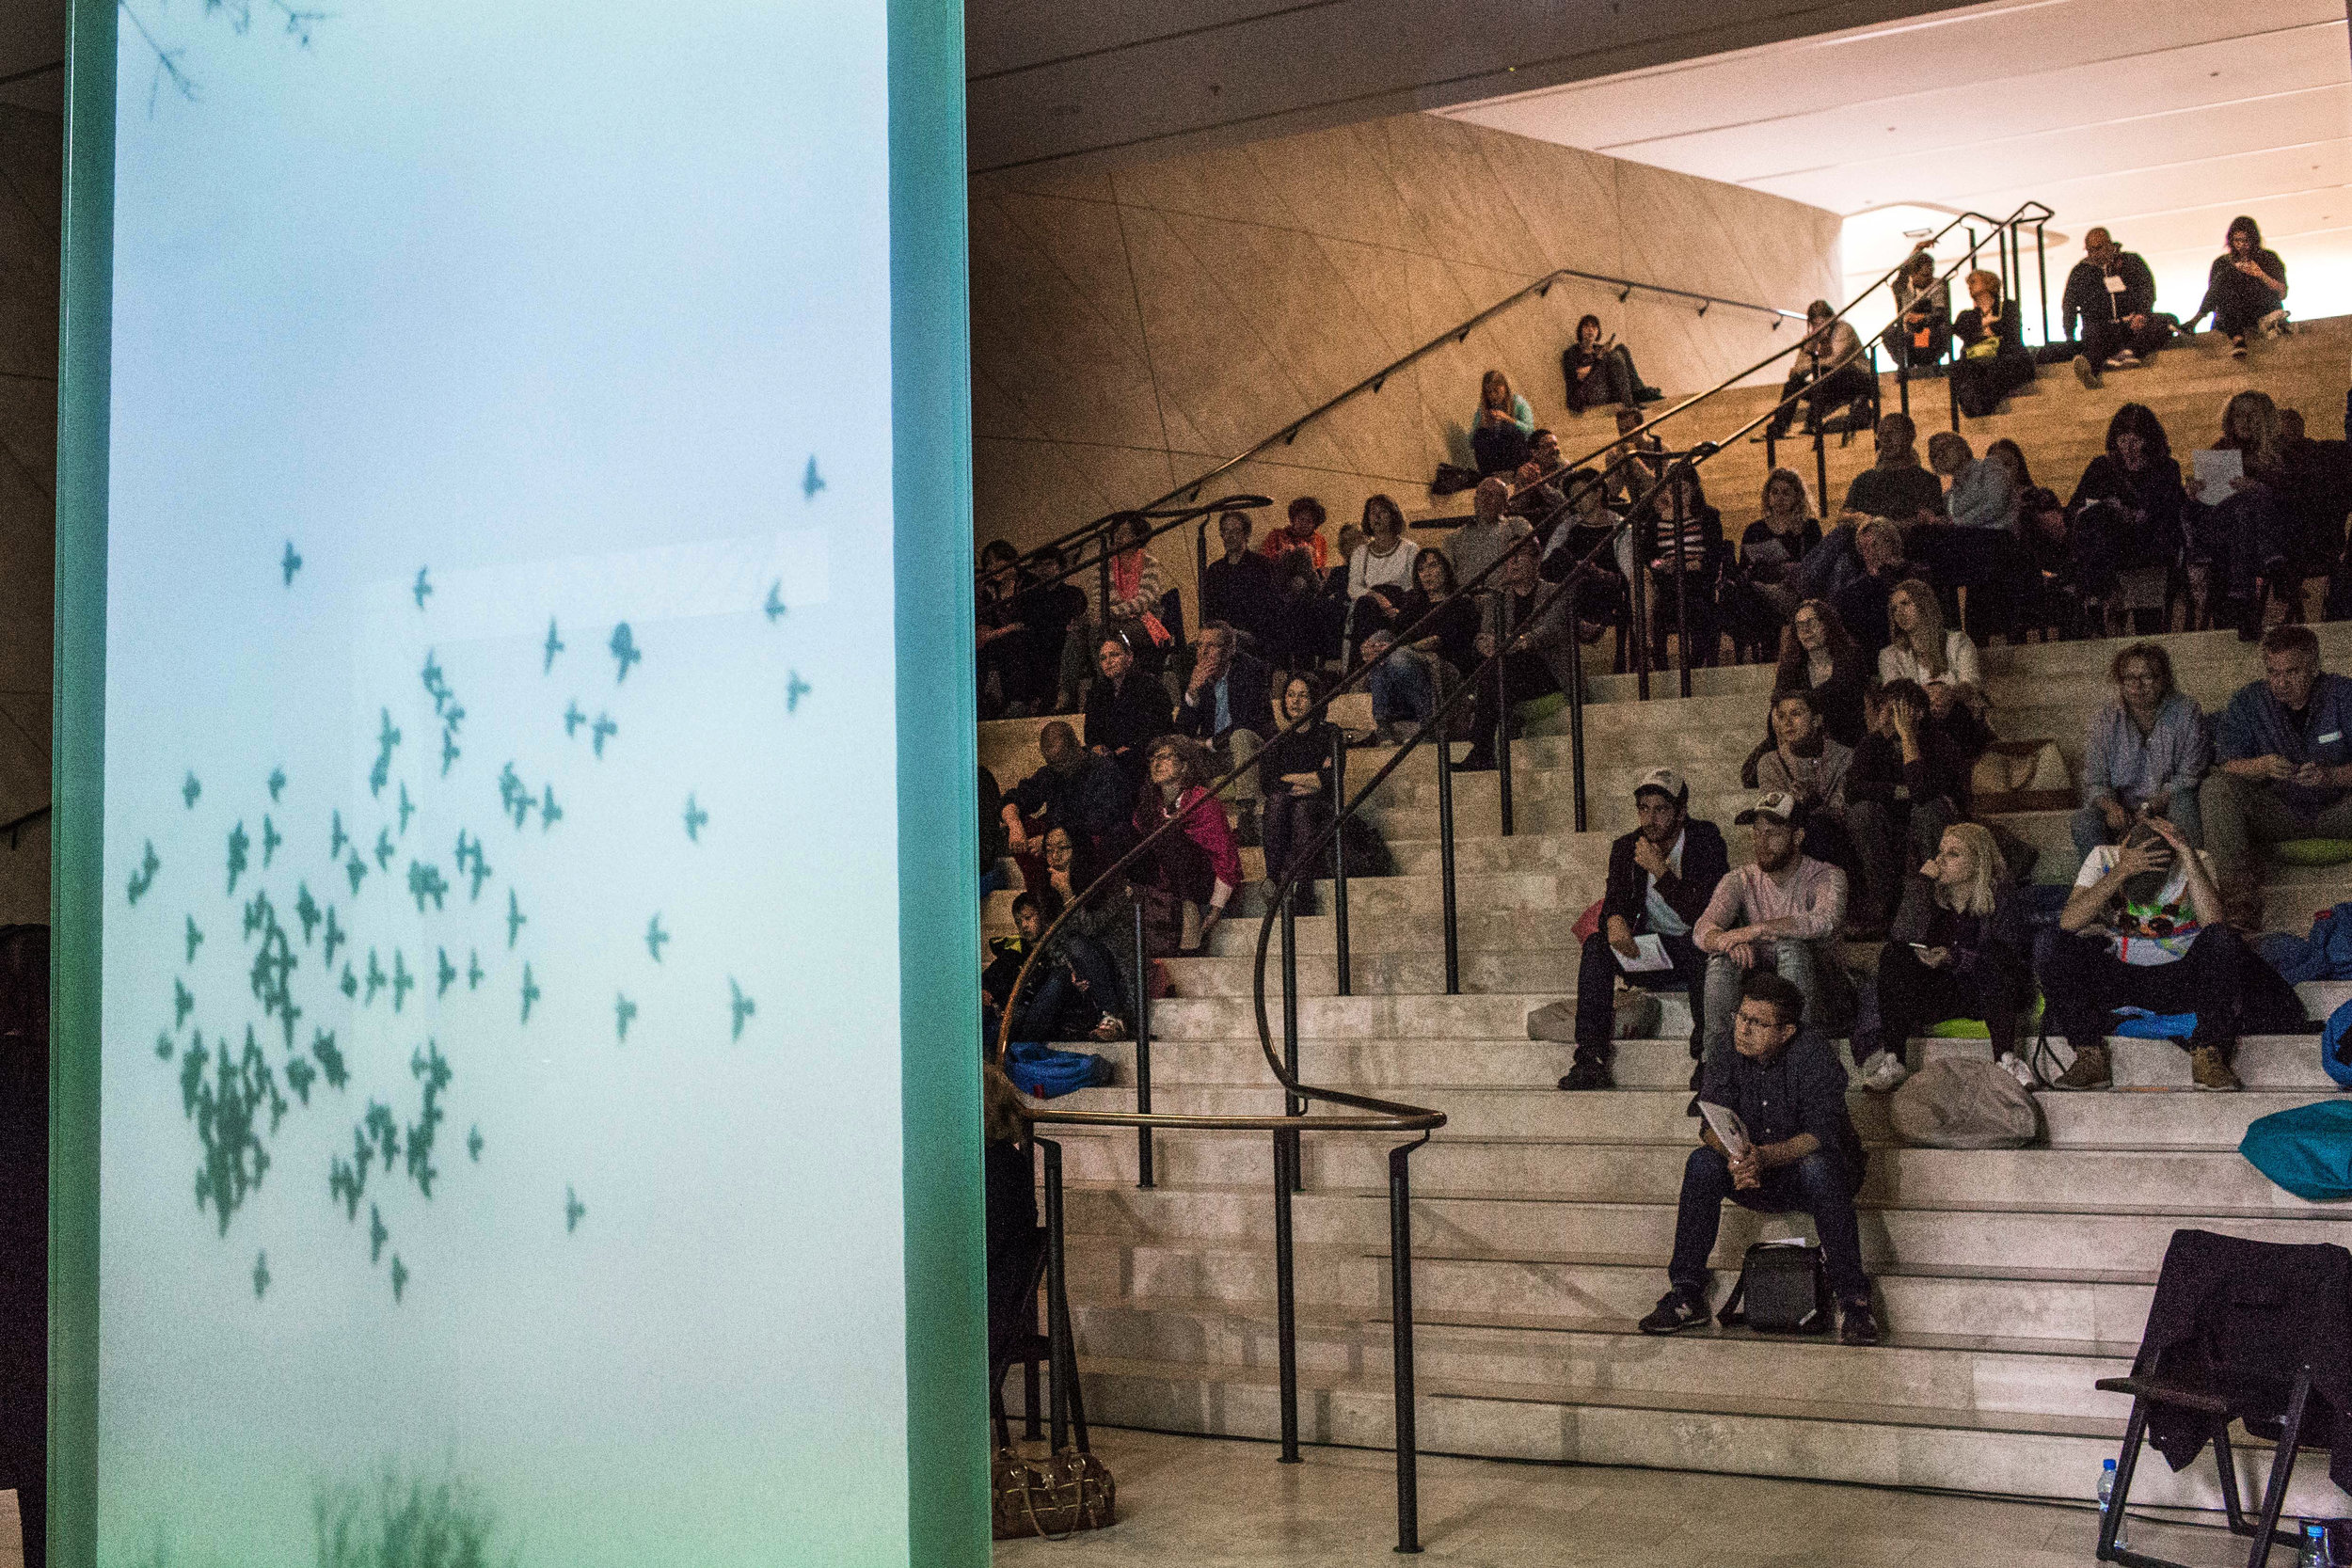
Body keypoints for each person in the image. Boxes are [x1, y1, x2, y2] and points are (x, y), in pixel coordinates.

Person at [1638, 969, 1878, 1346]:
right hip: (1752, 1171)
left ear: (1787, 1031)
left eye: (1757, 1023)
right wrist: (1737, 1157)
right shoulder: (1724, 1048)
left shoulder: (1813, 1054)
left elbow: (1820, 1134)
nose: (1743, 1030)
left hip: (1812, 1171)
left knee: (1820, 1168)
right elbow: (1708, 1126)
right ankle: (1687, 1294)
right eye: (1741, 1017)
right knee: (1702, 1163)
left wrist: (1763, 1157)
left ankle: (1854, 1300)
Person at [2042, 816, 2244, 1092]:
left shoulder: (2195, 859)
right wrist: (2121, 871)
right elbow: (2069, 921)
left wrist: (2186, 853)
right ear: (2122, 846)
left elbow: (2213, 922)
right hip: (2122, 974)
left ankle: (2208, 1051)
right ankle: (2089, 1055)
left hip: (2180, 975)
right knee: (2053, 942)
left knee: (2222, 939)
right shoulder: (2103, 856)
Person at [1562, 768, 1727, 1092]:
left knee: (1704, 949)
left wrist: (1661, 872)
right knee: (1596, 946)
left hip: (1693, 948)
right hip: (1652, 950)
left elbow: (1707, 912)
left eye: (1661, 809)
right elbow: (1615, 899)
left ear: (1681, 813)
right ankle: (1590, 1059)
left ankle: (1707, 1059)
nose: (1650, 819)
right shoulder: (1626, 846)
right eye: (1643, 809)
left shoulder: (1706, 840)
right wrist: (1614, 920)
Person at [1849, 823, 2032, 1093]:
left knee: (1996, 956)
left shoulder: (2001, 896)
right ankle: (1894, 1059)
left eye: (1953, 854)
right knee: (1894, 954)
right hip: (1942, 993)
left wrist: (1956, 958)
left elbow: (2011, 955)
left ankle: (2006, 1059)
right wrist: (1921, 885)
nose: (1939, 860)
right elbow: (1900, 936)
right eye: (1940, 852)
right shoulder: (1930, 895)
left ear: (1978, 862)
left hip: (1987, 993)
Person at [2200, 625, 2352, 926]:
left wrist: (2332, 776)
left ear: (2314, 668)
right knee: (2216, 789)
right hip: (2280, 811)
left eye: (2292, 672)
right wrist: (2260, 767)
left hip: (2339, 809)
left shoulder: (2343, 694)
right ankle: (2238, 905)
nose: (2280, 682)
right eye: (2273, 672)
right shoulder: (2250, 701)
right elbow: (2227, 764)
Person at [1694, 793, 1853, 1060]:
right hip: (1764, 1002)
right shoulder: (1740, 878)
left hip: (1826, 994)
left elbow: (1825, 920)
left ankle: (1796, 1060)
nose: (1761, 842)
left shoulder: (1828, 875)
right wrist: (1727, 941)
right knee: (1721, 959)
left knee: (1792, 948)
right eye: (1757, 833)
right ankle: (1718, 1063)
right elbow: (1702, 929)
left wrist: (1756, 929)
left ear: (1798, 836)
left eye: (1773, 833)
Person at [1845, 680, 1969, 936]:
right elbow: (1853, 789)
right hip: (1892, 825)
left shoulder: (1938, 741)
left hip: (1936, 824)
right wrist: (1896, 791)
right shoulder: (1873, 744)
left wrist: (1908, 739)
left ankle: (1936, 901)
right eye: (1882, 710)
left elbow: (1923, 793)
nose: (1884, 718)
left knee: (1927, 810)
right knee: (1862, 813)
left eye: (1893, 712)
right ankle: (1884, 903)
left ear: (1917, 714)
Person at [2074, 641, 2210, 860]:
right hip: (2124, 810)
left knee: (2184, 802)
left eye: (2147, 677)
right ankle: (2105, 887)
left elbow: (2189, 776)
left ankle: (2191, 877)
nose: (2137, 686)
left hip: (2168, 805)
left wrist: (2150, 807)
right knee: (2084, 821)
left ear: (2163, 679)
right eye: (2129, 678)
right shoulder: (2106, 719)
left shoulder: (2186, 711)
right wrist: (2111, 808)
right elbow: (2095, 780)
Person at [2185, 390, 2298, 636]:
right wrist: (2194, 493)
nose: (2245, 422)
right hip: (2222, 531)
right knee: (2244, 504)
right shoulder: (2220, 451)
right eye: (2239, 415)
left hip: (2260, 533)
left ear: (2265, 418)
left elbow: (2293, 500)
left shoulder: (2280, 452)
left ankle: (2242, 592)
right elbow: (2200, 514)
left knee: (2248, 506)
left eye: (2252, 415)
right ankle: (2271, 561)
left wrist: (2259, 488)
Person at [2066, 403, 2186, 629]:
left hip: (2147, 543)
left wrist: (2135, 514)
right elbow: (2073, 509)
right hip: (2106, 541)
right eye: (2123, 441)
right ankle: (2100, 601)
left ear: (2148, 441)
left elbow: (2169, 510)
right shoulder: (2101, 467)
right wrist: (2105, 508)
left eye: (2136, 441)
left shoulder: (2165, 468)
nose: (2129, 448)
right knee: (2098, 520)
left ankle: (2103, 600)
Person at [1462, 538, 1577, 771]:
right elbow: (1485, 633)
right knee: (1495, 668)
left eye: (1519, 554)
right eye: (1508, 556)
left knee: (1498, 668)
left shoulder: (1556, 593)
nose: (1512, 561)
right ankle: (1485, 747)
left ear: (1536, 560)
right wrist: (1486, 644)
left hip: (1547, 673)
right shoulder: (1498, 598)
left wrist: (1516, 642)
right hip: (1510, 672)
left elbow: (1549, 632)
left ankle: (1481, 745)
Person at [1129, 736, 1243, 954]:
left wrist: (1216, 908)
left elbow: (1224, 855)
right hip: (1168, 884)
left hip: (1204, 883)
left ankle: (1190, 914)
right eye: (1152, 759)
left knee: (1170, 833)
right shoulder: (1149, 804)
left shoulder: (1202, 799)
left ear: (1184, 766)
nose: (1156, 763)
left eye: (1165, 757)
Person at [1057, 515, 1177, 703]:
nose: (1119, 538)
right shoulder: (1104, 566)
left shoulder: (1149, 562)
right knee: (1077, 635)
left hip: (1143, 622)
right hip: (1111, 618)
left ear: (1138, 536)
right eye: (1117, 534)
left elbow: (1145, 600)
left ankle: (1111, 688)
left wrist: (1110, 613)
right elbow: (1097, 600)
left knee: (1109, 632)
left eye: (1126, 533)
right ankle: (1067, 694)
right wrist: (1102, 614)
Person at [999, 721, 1133, 885]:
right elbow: (1016, 797)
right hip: (1055, 842)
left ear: (1076, 745)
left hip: (1087, 847)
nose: (1059, 767)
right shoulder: (1050, 772)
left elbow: (1101, 821)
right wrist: (1014, 826)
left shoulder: (1104, 771)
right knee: (1022, 827)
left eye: (1063, 761)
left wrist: (1051, 839)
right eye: (1052, 762)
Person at [989, 893, 1128, 1044]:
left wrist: (1074, 983)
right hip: (1024, 1017)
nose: (1024, 926)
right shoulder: (1015, 951)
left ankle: (1112, 1018)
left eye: (1028, 918)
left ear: (1042, 915)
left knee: (1065, 969)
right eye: (1018, 922)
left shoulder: (1062, 945)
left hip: (1057, 1016)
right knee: (1011, 1018)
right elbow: (992, 978)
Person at [1177, 622, 1274, 837]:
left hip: (1254, 749)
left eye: (1212, 646)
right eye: (1200, 645)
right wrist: (1192, 693)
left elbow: (1246, 721)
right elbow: (1182, 733)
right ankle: (1184, 823)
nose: (1203, 652)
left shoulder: (1251, 670)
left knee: (1240, 738)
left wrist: (1208, 743)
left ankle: (1248, 816)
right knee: (1177, 751)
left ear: (1230, 650)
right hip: (1217, 755)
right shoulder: (1195, 674)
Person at [1918, 431, 2016, 641]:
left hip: (1999, 541)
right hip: (1968, 547)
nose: (1940, 455)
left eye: (1945, 447)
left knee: (1939, 549)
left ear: (1963, 447)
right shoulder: (1949, 495)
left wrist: (1954, 523)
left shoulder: (1988, 467)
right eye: (1934, 454)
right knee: (1928, 543)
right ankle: (1950, 630)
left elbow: (1996, 503)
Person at [1257, 673, 1341, 906]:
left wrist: (1289, 779)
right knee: (1276, 803)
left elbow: (1331, 778)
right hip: (1285, 808)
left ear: (1315, 699)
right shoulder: (1276, 738)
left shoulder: (1330, 734)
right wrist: (1311, 778)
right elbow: (1268, 782)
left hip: (1322, 809)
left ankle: (1301, 886)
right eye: (1290, 695)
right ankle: (1274, 878)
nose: (1295, 701)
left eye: (1303, 695)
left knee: (1301, 809)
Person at [1634, 466, 1727, 668]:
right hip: (1669, 581)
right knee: (1661, 610)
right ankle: (1660, 664)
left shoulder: (1707, 516)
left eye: (1683, 491)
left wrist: (1697, 564)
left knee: (1698, 608)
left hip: (1698, 582)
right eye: (1671, 490)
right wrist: (1662, 564)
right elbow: (1648, 557)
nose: (1677, 496)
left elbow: (1714, 554)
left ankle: (1695, 664)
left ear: (1693, 489)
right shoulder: (1656, 520)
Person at [1726, 468, 1822, 657]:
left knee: (1760, 597)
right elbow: (1743, 568)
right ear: (1767, 496)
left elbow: (1817, 565)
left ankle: (1771, 652)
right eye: (1775, 492)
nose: (1779, 498)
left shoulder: (1809, 528)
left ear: (1797, 496)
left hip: (1792, 589)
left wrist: (1793, 567)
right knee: (1750, 592)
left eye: (1786, 493)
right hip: (1762, 587)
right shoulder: (1755, 529)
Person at [2061, 228, 2168, 388]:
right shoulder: (2080, 272)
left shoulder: (2131, 262)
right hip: (2102, 329)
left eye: (2099, 248)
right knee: (2094, 337)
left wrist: (2142, 313)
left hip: (2131, 323)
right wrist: (2069, 334)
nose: (2094, 254)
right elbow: (2069, 304)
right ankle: (2091, 371)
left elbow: (2147, 289)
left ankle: (2129, 352)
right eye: (2090, 250)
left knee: (2164, 322)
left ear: (2109, 244)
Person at [1878, 578, 1985, 722]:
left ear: (1924, 604)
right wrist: (1927, 694)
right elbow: (1895, 694)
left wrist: (1949, 693)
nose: (1899, 613)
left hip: (1959, 719)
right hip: (1917, 724)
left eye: (1905, 603)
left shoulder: (1957, 641)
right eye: (1894, 609)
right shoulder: (1889, 655)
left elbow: (1971, 684)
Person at [2184, 214, 2289, 357]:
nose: (2241, 245)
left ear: (2253, 240)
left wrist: (2260, 274)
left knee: (2226, 277)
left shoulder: (2268, 258)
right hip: (2232, 311)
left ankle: (2194, 321)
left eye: (2245, 241)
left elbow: (2282, 293)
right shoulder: (2222, 262)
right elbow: (2216, 294)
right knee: (2225, 278)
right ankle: (2238, 339)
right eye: (2237, 240)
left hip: (2261, 309)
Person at [1766, 300, 1872, 440]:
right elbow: (1798, 370)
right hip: (1827, 384)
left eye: (1822, 323)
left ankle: (1814, 420)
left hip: (1856, 379)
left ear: (1831, 320)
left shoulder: (1844, 330)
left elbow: (1835, 362)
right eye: (1815, 324)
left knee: (1825, 370)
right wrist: (1811, 345)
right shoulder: (1812, 338)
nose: (1819, 328)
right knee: (1794, 383)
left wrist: (1809, 364)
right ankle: (1778, 427)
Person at [1082, 635, 1173, 786]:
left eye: (1114, 655)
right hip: (1109, 758)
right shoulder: (1097, 693)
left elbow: (1160, 728)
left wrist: (1131, 747)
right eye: (1103, 658)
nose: (1108, 662)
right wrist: (1097, 747)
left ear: (1129, 657)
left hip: (1142, 754)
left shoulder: (1149, 686)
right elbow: (1091, 732)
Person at [1200, 509, 1288, 657]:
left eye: (1235, 531)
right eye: (1225, 531)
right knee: (1188, 653)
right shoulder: (1215, 569)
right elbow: (1210, 607)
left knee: (1225, 645)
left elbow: (1270, 607)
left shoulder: (1262, 565)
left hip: (1252, 633)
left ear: (1246, 534)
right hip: (1222, 632)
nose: (1229, 536)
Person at [1948, 270, 2036, 420]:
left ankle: (1981, 408)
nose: (1970, 286)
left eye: (1974, 282)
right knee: (1960, 370)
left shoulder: (2008, 307)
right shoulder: (1967, 315)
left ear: (1989, 283)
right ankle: (1974, 407)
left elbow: (2010, 331)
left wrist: (1978, 332)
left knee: (1999, 369)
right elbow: (1959, 330)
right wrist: (1985, 324)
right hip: (1977, 359)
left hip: (2004, 357)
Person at [1840, 413, 1946, 526]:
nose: (1886, 439)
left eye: (1892, 433)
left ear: (1910, 435)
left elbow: (1930, 520)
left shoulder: (1927, 481)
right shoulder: (1864, 480)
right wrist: (1855, 518)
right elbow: (1844, 514)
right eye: (1881, 434)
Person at [1345, 494, 1418, 651]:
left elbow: (1413, 585)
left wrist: (1397, 610)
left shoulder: (1409, 548)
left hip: (1400, 602)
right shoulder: (1361, 552)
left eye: (1383, 512)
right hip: (1370, 602)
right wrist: (1377, 597)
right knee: (1365, 605)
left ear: (1393, 516)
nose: (1376, 517)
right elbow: (1354, 587)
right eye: (1372, 512)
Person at [1398, 546, 1483, 678]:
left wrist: (1400, 651)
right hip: (1408, 660)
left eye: (1432, 566)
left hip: (1445, 664)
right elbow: (1396, 633)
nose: (1427, 574)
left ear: (1445, 568)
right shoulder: (1413, 604)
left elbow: (1437, 640)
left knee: (1395, 661)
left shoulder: (1460, 602)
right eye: (1421, 570)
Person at [1447, 475, 1535, 594]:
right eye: (1482, 494)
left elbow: (1532, 559)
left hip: (1505, 597)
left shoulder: (1517, 525)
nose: (1485, 499)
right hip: (1468, 600)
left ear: (1505, 503)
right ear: (1475, 501)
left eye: (1492, 495)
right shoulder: (1455, 537)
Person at [1560, 314, 1661, 412]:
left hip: (1607, 387)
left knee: (1621, 348)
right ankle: (1629, 402)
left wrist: (1604, 357)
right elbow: (1579, 375)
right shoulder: (1572, 353)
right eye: (1586, 326)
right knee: (1612, 356)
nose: (1590, 330)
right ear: (1580, 331)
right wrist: (1599, 360)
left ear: (1598, 332)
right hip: (1586, 394)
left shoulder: (1599, 349)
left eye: (1594, 327)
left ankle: (1639, 391)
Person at [1360, 626, 1437, 745]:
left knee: (1394, 660)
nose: (1377, 649)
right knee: (1377, 666)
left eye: (1381, 645)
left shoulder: (1400, 656)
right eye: (1374, 647)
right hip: (1397, 708)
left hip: (1412, 660)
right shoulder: (1379, 670)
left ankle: (1426, 726)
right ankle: (1383, 727)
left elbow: (1434, 640)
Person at [1882, 249, 1949, 374]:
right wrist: (1915, 251)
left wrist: (1922, 317)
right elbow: (1901, 277)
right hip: (1908, 327)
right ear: (1913, 274)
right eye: (1924, 275)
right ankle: (1904, 364)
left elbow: (1941, 312)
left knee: (1933, 330)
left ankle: (1930, 363)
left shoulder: (1938, 285)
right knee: (1888, 332)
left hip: (1930, 326)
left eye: (1931, 273)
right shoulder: (1904, 287)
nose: (1929, 278)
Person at [1471, 369, 1534, 474]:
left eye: (1496, 391)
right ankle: (1489, 475)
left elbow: (1530, 432)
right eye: (1489, 392)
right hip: (1497, 456)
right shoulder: (1484, 409)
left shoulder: (1518, 402)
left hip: (1518, 454)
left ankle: (1515, 471)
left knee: (1508, 429)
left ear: (1504, 388)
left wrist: (1508, 419)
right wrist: (1481, 425)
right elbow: (1471, 442)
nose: (1493, 396)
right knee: (1480, 435)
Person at [1259, 495, 1331, 573]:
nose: (1304, 524)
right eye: (1301, 519)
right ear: (1293, 519)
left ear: (1315, 525)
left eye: (1309, 521)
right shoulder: (1276, 536)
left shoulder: (1319, 541)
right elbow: (1266, 562)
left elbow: (1320, 567)